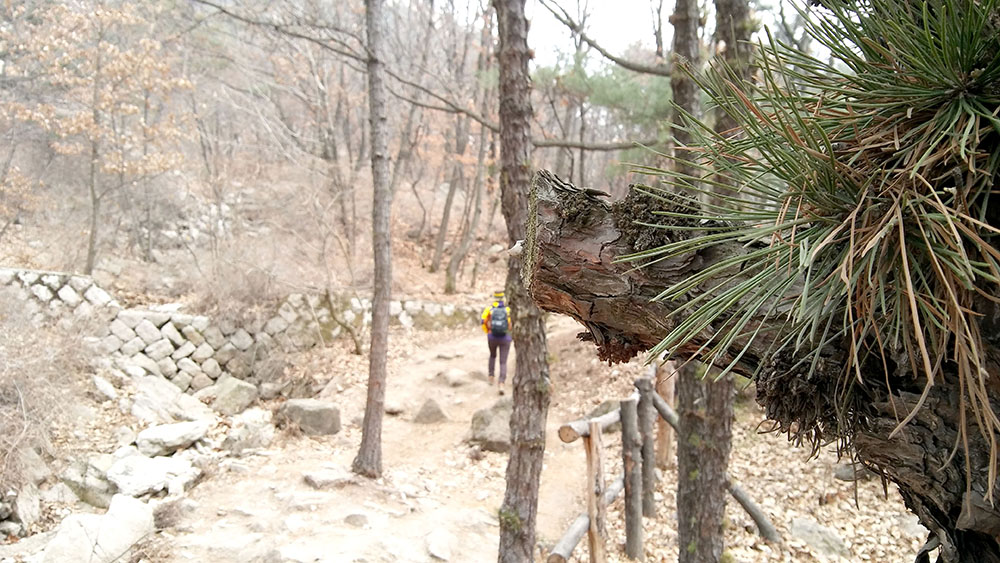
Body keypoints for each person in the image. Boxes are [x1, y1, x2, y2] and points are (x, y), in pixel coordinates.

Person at [481, 290, 512, 395]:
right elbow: (511, 324)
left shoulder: (489, 309)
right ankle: (501, 383)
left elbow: (483, 321)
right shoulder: (508, 310)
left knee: (492, 356)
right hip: (505, 338)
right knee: (503, 361)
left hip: (492, 337)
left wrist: (488, 332)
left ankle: (491, 377)